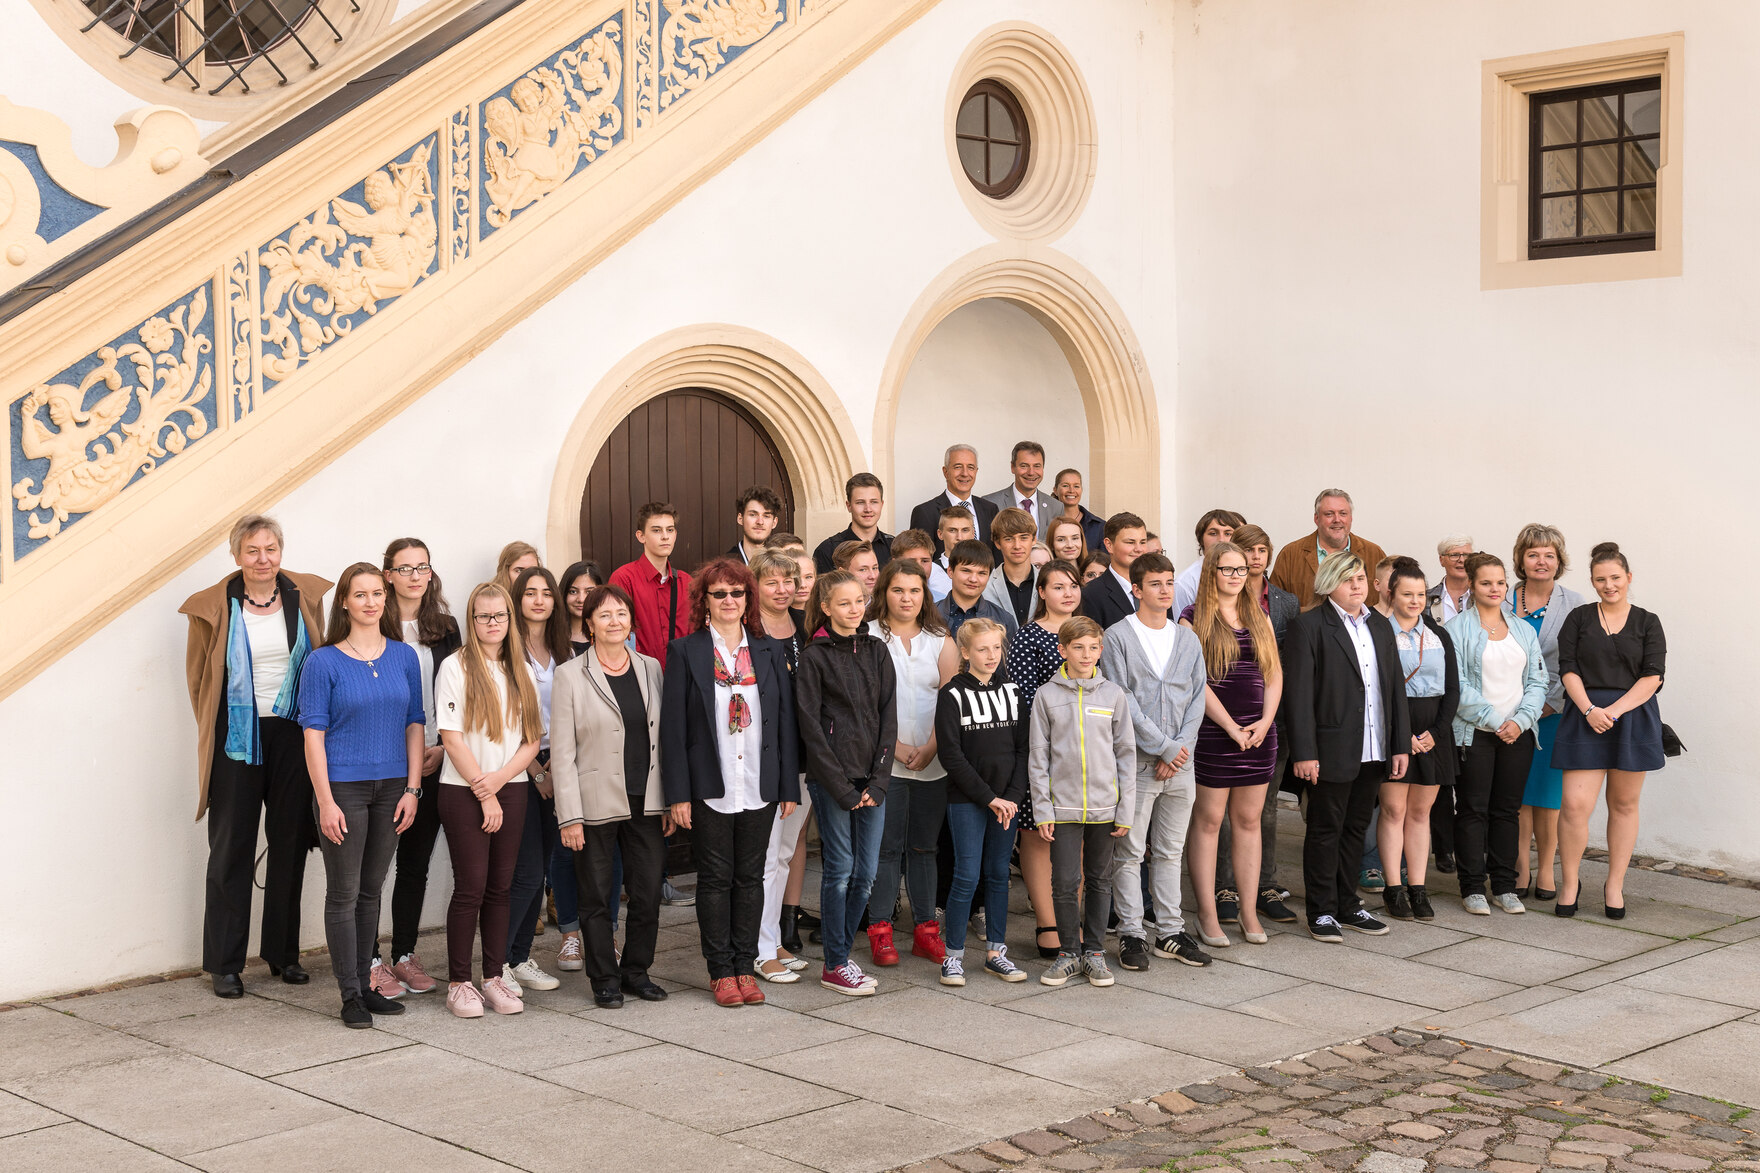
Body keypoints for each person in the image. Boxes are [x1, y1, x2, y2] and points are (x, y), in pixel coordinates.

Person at [181, 514, 331, 999]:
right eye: (252, 551)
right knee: (231, 847)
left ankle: (283, 954)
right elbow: (199, 679)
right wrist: (224, 723)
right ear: (236, 555)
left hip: (293, 732)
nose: (262, 559)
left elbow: (320, 659)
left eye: (270, 549)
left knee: (289, 841)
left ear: (280, 551)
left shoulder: (303, 596)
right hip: (237, 738)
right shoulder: (214, 607)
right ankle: (225, 963)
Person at [661, 559, 800, 1007]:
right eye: (719, 594)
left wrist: (787, 787)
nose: (728, 601)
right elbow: (673, 729)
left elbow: (783, 723)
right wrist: (677, 794)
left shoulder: (768, 651)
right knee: (716, 878)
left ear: (747, 600)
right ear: (705, 600)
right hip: (710, 785)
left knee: (750, 878)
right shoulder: (686, 651)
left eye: (737, 594)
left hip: (759, 783)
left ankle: (746, 965)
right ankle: (720, 971)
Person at [296, 563, 424, 1027]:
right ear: (345, 603)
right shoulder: (323, 661)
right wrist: (325, 801)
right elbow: (313, 736)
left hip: (393, 788)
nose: (370, 602)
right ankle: (350, 994)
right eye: (360, 594)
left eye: (377, 594)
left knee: (372, 891)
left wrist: (413, 788)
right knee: (344, 893)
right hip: (343, 790)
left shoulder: (404, 657)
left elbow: (415, 723)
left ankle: (367, 986)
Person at [551, 583, 668, 1008]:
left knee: (648, 891)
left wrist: (670, 800)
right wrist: (569, 816)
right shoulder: (570, 675)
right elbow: (562, 753)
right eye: (604, 615)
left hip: (647, 799)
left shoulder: (652, 668)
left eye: (621, 613)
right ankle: (604, 978)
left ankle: (636, 971)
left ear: (631, 621)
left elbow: (663, 739)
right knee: (597, 896)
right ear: (590, 624)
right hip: (595, 801)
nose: (614, 621)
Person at [1285, 552, 1410, 943]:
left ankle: (1347, 904)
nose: (1357, 585)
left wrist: (1399, 744)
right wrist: (1305, 751)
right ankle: (1321, 911)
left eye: (1360, 578)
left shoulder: (1380, 627)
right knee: (1325, 829)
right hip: (1330, 748)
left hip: (1373, 746)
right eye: (1347, 578)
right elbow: (1298, 696)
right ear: (1328, 584)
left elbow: (1394, 690)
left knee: (1356, 827)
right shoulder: (1308, 627)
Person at [436, 582, 543, 1017]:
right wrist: (486, 790)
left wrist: (499, 781)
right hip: (463, 790)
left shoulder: (523, 669)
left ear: (510, 619)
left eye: (499, 616)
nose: (492, 623)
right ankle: (459, 983)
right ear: (472, 619)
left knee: (501, 887)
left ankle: (494, 976)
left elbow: (532, 740)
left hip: (511, 787)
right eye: (483, 616)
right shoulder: (456, 666)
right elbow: (451, 737)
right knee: (471, 887)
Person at [1099, 552, 1210, 970]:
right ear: (1137, 589)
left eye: (1168, 583)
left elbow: (1196, 697)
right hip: (1139, 764)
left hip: (1182, 765)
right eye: (1155, 584)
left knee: (1169, 852)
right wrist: (1163, 746)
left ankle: (1170, 932)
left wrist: (1179, 749)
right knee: (1128, 852)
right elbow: (1121, 697)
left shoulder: (1187, 639)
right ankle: (1131, 933)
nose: (1164, 591)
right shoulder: (1118, 637)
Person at [795, 569, 897, 995]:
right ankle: (835, 963)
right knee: (839, 870)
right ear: (825, 607)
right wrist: (841, 787)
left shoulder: (876, 650)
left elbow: (888, 718)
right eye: (844, 603)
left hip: (872, 782)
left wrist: (878, 782)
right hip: (831, 781)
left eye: (859, 601)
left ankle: (841, 951)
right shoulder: (815, 657)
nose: (854, 610)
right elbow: (811, 728)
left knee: (867, 874)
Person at [1554, 542, 1666, 920]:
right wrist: (1589, 709)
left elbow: (1653, 676)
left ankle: (1614, 884)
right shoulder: (1579, 618)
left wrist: (1613, 712)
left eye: (1615, 577)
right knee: (1573, 805)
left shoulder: (1648, 621)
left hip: (1631, 716)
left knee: (1623, 804)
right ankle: (1570, 882)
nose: (1609, 585)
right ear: (1592, 581)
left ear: (1628, 578)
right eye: (1600, 579)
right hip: (1584, 715)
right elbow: (1567, 668)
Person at [1179, 542, 1281, 950]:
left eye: (1241, 569)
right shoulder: (1192, 620)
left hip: (1259, 733)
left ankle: (1249, 910)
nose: (1237, 576)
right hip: (1214, 733)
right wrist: (1230, 727)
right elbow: (1195, 683)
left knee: (1249, 822)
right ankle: (1206, 911)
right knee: (1208, 821)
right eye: (1228, 569)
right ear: (1211, 572)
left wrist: (1265, 721)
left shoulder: (1260, 617)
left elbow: (1274, 674)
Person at [372, 538, 460, 998]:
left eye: (422, 567)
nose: (413, 575)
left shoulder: (444, 628)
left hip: (433, 758)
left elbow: (462, 692)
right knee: (373, 868)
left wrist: (444, 747)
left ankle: (403, 953)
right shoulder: (371, 621)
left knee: (414, 866)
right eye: (404, 568)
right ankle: (370, 959)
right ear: (387, 575)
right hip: (385, 761)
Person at [863, 560, 959, 966]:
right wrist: (896, 747)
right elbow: (862, 705)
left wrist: (934, 746)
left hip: (932, 761)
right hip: (884, 761)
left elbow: (952, 701)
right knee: (885, 849)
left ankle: (924, 931)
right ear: (884, 592)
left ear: (926, 595)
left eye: (915, 591)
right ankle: (881, 931)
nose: (906, 598)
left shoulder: (941, 640)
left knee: (923, 847)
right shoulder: (867, 636)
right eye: (898, 590)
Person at [1029, 617, 1134, 988]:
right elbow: (1038, 758)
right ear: (1063, 650)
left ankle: (1094, 953)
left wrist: (1125, 809)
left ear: (1100, 651)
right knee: (1064, 881)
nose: (1086, 654)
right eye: (1078, 647)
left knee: (1100, 880)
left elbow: (1126, 755)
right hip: (1063, 809)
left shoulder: (1113, 695)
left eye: (1092, 647)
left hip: (1106, 809)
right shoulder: (1047, 696)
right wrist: (1043, 809)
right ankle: (1068, 953)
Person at [1445, 552, 1549, 916]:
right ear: (1471, 586)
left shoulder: (1522, 629)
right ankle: (1472, 886)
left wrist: (1520, 721)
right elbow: (1455, 684)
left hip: (1517, 734)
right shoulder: (1455, 630)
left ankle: (1504, 886)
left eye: (1500, 582)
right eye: (1486, 582)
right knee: (1473, 809)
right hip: (1475, 733)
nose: (1495, 589)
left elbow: (1539, 680)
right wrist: (1493, 719)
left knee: (1508, 811)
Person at [935, 619, 1029, 986]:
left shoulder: (1013, 691)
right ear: (965, 652)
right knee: (966, 875)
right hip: (968, 800)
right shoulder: (952, 694)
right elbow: (951, 755)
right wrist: (989, 798)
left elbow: (1023, 749)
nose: (991, 656)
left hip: (1007, 801)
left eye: (996, 648)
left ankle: (996, 952)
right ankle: (953, 957)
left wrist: (1012, 797)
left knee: (998, 875)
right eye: (982, 649)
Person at [1215, 523, 1299, 926]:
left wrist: (1267, 720)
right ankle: (1225, 888)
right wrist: (1232, 724)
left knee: (1264, 812)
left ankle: (1265, 885)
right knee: (1220, 816)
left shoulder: (1282, 603)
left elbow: (1280, 667)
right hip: (1221, 724)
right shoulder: (1205, 608)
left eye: (1262, 550)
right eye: (1248, 551)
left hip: (1268, 720)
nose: (1254, 558)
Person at [501, 566, 573, 996]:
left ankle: (520, 955)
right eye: (530, 593)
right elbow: (507, 719)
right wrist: (536, 771)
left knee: (543, 864)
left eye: (547, 593)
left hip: (559, 762)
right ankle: (499, 961)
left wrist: (556, 768)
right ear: (517, 599)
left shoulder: (564, 651)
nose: (540, 600)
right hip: (518, 765)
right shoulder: (507, 652)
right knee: (524, 872)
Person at [1009, 558, 1085, 955]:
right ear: (1041, 592)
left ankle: (1072, 916)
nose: (1067, 593)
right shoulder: (1028, 638)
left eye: (1073, 585)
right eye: (1058, 587)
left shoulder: (1088, 633)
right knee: (1039, 838)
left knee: (1078, 837)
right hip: (1045, 751)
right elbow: (1024, 701)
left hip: (1086, 755)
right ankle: (1047, 922)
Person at [1377, 558, 1459, 923]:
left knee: (1421, 812)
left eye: (1421, 594)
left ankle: (1418, 887)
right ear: (1391, 594)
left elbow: (1453, 690)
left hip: (1433, 733)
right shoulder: (1378, 633)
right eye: (1407, 594)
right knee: (1394, 811)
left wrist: (1436, 734)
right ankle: (1393, 887)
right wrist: (1403, 736)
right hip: (1396, 730)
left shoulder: (1439, 635)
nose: (1415, 601)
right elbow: (1376, 690)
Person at [1506, 524, 1584, 902]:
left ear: (1559, 561)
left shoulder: (1576, 604)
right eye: (1534, 554)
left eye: (1549, 555)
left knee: (1549, 798)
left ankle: (1547, 869)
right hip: (1508, 712)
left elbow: (1578, 662)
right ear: (1521, 558)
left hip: (1555, 711)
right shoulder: (1500, 598)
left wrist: (1551, 702)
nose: (1541, 561)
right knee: (1517, 794)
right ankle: (1520, 865)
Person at [747, 550, 814, 982]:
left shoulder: (805, 628)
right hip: (763, 758)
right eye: (772, 582)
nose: (782, 589)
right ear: (755, 586)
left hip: (804, 755)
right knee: (766, 857)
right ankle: (758, 949)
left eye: (788, 581)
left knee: (786, 853)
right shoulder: (748, 632)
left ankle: (772, 937)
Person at [1271, 489, 1390, 610]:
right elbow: (1276, 607)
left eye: (1343, 513)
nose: (1337, 519)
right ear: (1316, 519)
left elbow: (1388, 602)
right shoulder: (1290, 555)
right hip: (1309, 628)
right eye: (1329, 514)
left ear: (1351, 518)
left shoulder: (1374, 553)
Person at [610, 502, 694, 666]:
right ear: (641, 536)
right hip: (639, 676)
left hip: (680, 677)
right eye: (656, 530)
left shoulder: (686, 582)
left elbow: (693, 635)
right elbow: (617, 634)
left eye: (670, 530)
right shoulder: (623, 578)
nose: (665, 536)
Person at [909, 444, 998, 551]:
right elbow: (919, 559)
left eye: (970, 467)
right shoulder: (925, 512)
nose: (965, 473)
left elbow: (997, 556)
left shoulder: (990, 509)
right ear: (945, 472)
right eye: (958, 467)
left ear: (976, 471)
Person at [813, 472, 893, 573]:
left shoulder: (893, 547)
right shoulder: (827, 550)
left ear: (882, 504)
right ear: (849, 506)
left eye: (874, 502)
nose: (868, 509)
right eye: (860, 502)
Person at [1081, 512, 1150, 629]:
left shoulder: (1157, 587)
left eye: (1142, 542)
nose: (1139, 549)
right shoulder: (1091, 594)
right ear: (1109, 545)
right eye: (1130, 542)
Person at [1173, 509, 1246, 616]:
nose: (1221, 539)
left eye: (1228, 533)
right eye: (1213, 533)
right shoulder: (1185, 583)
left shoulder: (1243, 573)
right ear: (1201, 539)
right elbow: (1183, 630)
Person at [983, 441, 1057, 540]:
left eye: (1037, 466)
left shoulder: (1056, 507)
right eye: (1024, 466)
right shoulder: (989, 503)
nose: (1031, 472)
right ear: (1013, 467)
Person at [941, 539, 1015, 638]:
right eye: (966, 571)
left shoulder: (1004, 620)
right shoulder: (928, 615)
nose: (973, 579)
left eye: (982, 573)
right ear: (950, 571)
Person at [984, 507, 1040, 629]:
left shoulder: (1047, 581)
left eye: (1024, 537)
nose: (1017, 546)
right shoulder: (985, 585)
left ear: (1034, 539)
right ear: (998, 543)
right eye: (1009, 539)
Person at [1051, 468, 1106, 553]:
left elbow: (1103, 561)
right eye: (1065, 485)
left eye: (1076, 486)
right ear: (1055, 490)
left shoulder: (1099, 526)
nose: (1071, 490)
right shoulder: (1046, 521)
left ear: (1081, 490)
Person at [559, 560, 605, 656]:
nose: (581, 599)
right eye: (573, 591)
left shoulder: (609, 633)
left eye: (589, 592)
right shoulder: (551, 635)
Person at [1427, 535, 1475, 625]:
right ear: (1441, 560)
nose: (1461, 560)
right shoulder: (1426, 598)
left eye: (1466, 555)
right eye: (1454, 555)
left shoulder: (1482, 596)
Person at [729, 486, 783, 563]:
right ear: (740, 519)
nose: (760, 522)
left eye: (766, 516)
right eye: (753, 515)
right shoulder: (725, 567)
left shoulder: (783, 565)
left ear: (774, 522)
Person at [891, 528, 946, 602]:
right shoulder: (881, 602)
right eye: (911, 561)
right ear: (894, 563)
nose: (919, 567)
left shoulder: (943, 602)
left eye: (924, 561)